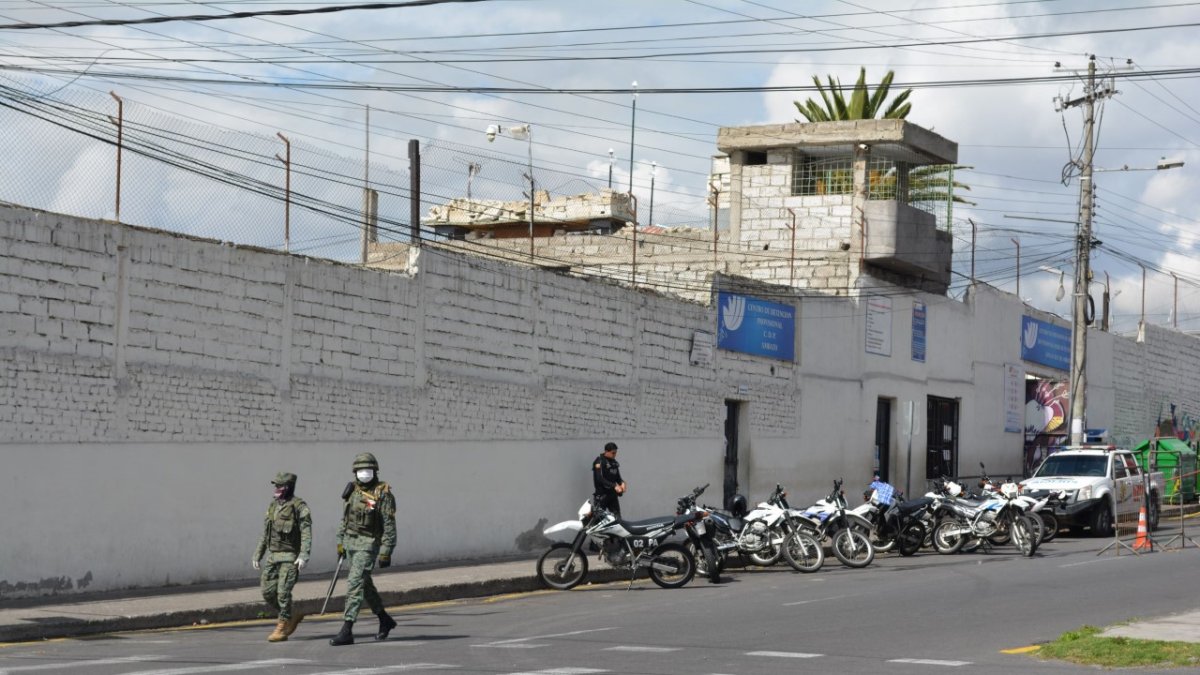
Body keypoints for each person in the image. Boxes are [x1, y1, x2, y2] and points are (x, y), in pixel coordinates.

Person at [330, 452, 397, 647]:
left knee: (354, 584)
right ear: (355, 472)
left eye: (368, 470)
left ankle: (347, 629)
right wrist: (340, 543)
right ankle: (385, 619)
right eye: (360, 470)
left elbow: (389, 525)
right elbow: (345, 519)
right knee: (365, 585)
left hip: (369, 544)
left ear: (375, 471)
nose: (364, 474)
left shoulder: (383, 493)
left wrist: (386, 551)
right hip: (351, 543)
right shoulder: (352, 491)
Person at [252, 471, 312, 643]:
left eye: (280, 486)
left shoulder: (299, 506)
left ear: (289, 487)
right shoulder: (273, 506)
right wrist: (258, 554)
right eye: (275, 485)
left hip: (290, 556)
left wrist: (303, 555)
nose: (277, 488)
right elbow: (266, 533)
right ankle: (291, 615)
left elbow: (306, 532)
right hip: (273, 556)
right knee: (267, 591)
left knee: (283, 592)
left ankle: (282, 625)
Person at [592, 441, 627, 518]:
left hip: (612, 495)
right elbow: (599, 478)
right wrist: (614, 485)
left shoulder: (614, 463)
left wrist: (622, 483)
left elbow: (618, 477)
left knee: (617, 519)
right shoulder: (600, 461)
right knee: (598, 520)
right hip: (601, 496)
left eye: (615, 453)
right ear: (606, 451)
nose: (615, 455)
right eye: (613, 453)